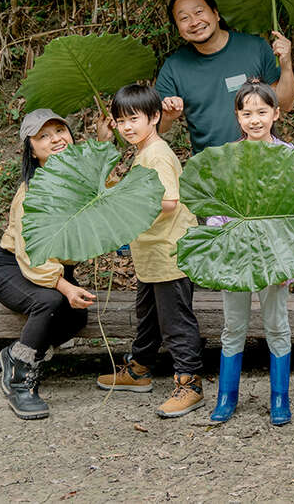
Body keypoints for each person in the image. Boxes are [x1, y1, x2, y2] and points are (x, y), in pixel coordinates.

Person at [95, 85, 205, 418]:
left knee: (175, 322)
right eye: (120, 120)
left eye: (133, 119)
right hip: (152, 253)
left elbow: (169, 202)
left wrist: (127, 217)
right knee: (149, 316)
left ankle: (190, 383)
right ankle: (140, 369)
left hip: (169, 251)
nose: (127, 127)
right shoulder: (142, 151)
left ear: (154, 117)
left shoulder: (157, 153)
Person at [0, 109, 99, 419]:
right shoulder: (31, 193)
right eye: (43, 136)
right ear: (32, 150)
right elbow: (30, 255)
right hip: (13, 266)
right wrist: (64, 286)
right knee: (49, 301)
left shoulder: (80, 179)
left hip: (56, 268)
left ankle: (15, 354)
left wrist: (104, 142)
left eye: (59, 131)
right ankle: (19, 379)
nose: (55, 139)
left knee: (76, 319)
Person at [209, 80, 294, 426]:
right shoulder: (227, 156)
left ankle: (280, 397)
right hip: (236, 253)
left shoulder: (288, 156)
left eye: (262, 112)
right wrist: (220, 240)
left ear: (275, 113)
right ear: (237, 117)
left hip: (274, 254)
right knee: (233, 326)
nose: (255, 119)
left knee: (277, 324)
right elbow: (216, 205)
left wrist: (291, 257)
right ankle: (227, 397)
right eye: (247, 113)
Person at [155, 0, 294, 154]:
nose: (194, 22)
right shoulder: (174, 67)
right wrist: (168, 118)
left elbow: (285, 103)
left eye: (199, 12)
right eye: (184, 18)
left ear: (215, 13)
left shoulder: (255, 48)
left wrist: (286, 65)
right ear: (178, 29)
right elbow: (157, 126)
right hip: (212, 170)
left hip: (262, 161)